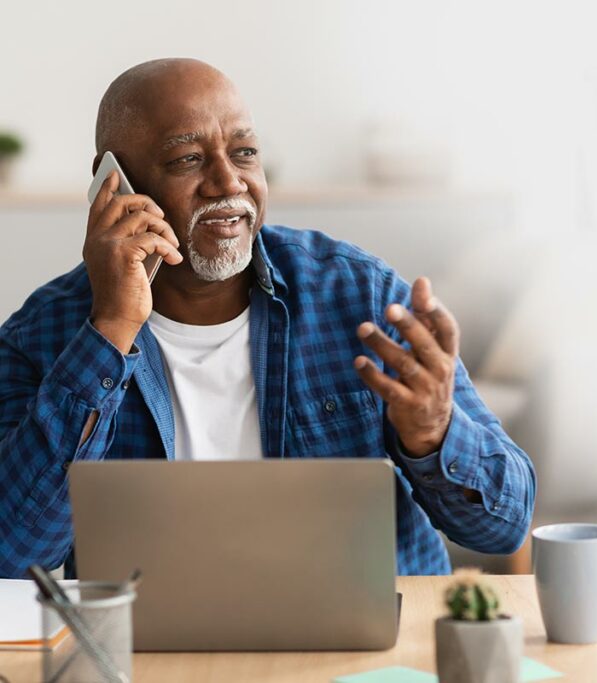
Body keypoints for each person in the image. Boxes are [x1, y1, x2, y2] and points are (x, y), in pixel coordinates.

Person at [0, 58, 535, 578]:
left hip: (365, 657)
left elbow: (504, 528)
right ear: (113, 183)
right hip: (150, 658)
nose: (228, 182)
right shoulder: (40, 338)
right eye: (187, 158)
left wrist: (434, 433)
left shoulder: (359, 296)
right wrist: (112, 328)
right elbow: (11, 556)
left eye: (245, 152)